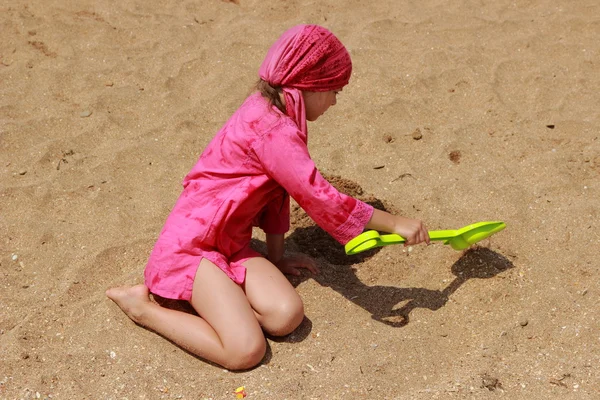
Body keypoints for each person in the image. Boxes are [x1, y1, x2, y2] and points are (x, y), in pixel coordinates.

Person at [106, 24, 430, 371]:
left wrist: (276, 257)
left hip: (229, 244)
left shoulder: (274, 111)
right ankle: (142, 308)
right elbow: (317, 195)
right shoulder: (271, 130)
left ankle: (224, 301)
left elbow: (278, 194)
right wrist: (394, 223)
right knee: (245, 351)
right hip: (193, 248)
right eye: (334, 90)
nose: (335, 100)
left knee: (285, 315)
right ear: (309, 85)